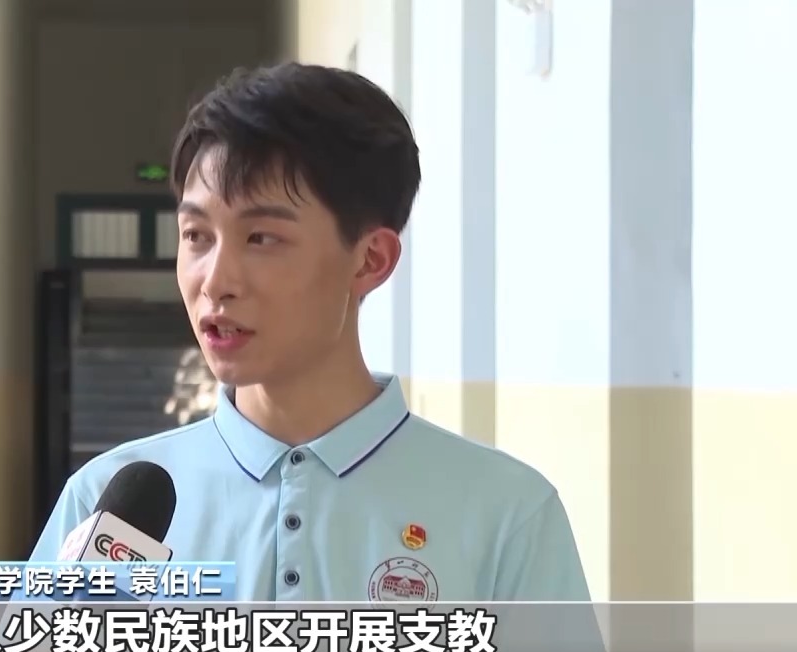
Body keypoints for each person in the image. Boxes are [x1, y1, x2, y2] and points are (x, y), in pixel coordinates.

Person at [30, 63, 594, 604]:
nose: (215, 281)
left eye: (261, 238)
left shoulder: (508, 515)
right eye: (196, 235)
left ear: (370, 259)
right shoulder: (103, 506)